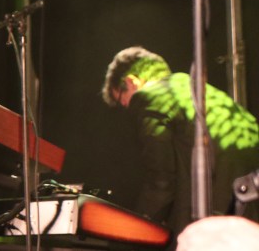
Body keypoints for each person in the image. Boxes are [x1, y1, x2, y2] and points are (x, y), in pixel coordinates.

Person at [101, 46, 259, 242]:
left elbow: (161, 179)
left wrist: (137, 225)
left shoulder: (150, 95)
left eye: (121, 99)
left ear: (131, 82)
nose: (126, 106)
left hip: (219, 199)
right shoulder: (193, 87)